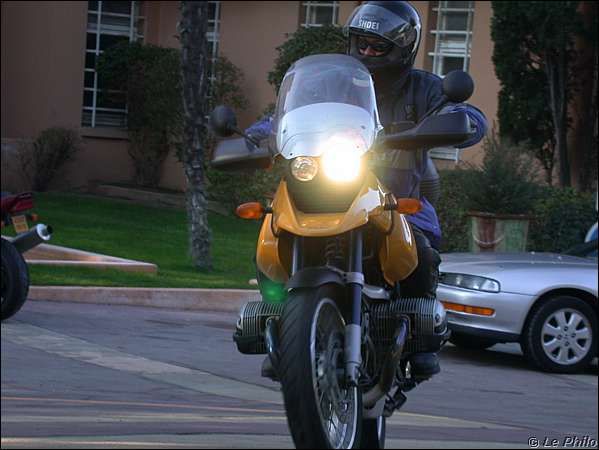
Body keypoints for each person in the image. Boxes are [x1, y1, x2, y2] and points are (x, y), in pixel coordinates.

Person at [251, 0, 488, 380]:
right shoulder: (330, 83)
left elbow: (469, 116)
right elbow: (283, 118)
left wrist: (460, 121)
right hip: (324, 193)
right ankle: (283, 326)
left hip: (396, 201)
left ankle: (421, 338)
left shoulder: (423, 88)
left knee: (421, 252)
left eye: (378, 46)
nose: (367, 51)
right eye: (361, 43)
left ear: (403, 48)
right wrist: (257, 136)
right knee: (271, 237)